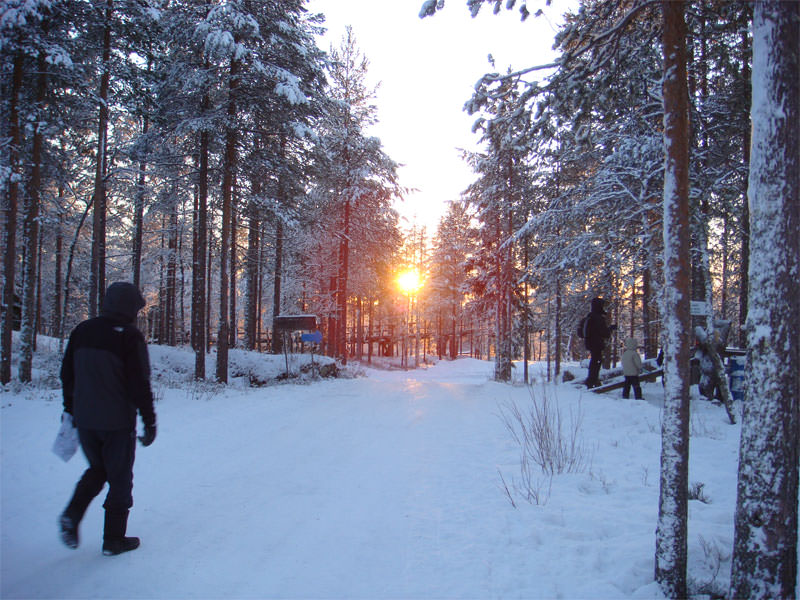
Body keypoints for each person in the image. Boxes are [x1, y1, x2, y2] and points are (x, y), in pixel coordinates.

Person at [59, 282, 157, 556]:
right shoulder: (129, 336)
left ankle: (72, 513)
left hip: (86, 419)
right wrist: (149, 421)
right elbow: (140, 383)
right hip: (116, 423)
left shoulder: (83, 331)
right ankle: (114, 539)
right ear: (128, 308)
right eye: (136, 309)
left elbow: (67, 374)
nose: (138, 314)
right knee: (120, 479)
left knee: (98, 470)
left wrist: (70, 410)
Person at [584, 297, 616, 388]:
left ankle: (592, 380)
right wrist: (610, 329)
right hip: (596, 343)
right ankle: (592, 381)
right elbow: (604, 333)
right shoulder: (598, 318)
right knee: (596, 361)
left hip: (590, 342)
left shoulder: (590, 316)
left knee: (595, 361)